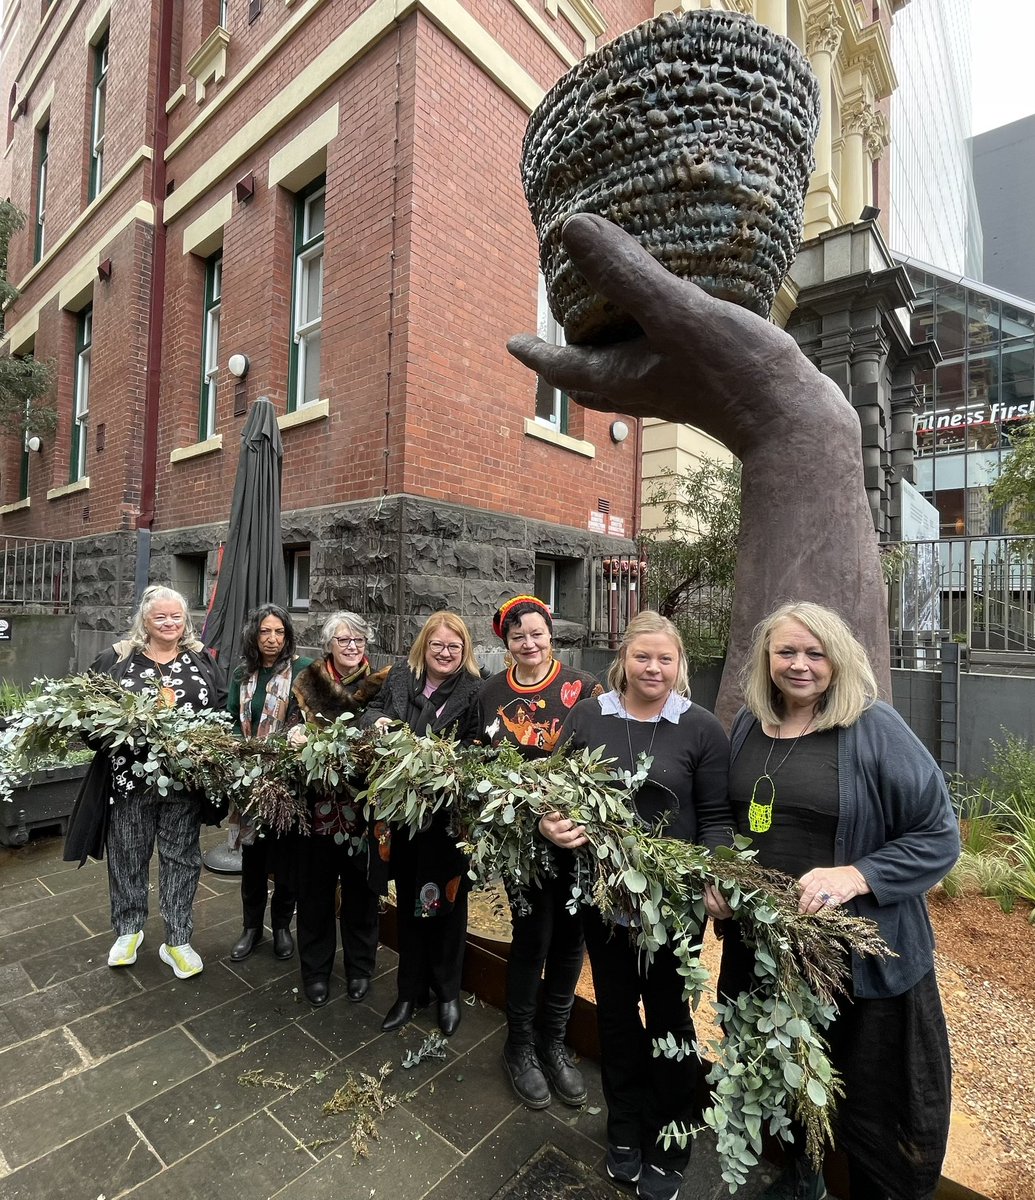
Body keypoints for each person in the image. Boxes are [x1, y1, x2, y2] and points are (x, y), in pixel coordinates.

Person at [717, 601, 959, 1200]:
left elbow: (939, 836)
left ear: (838, 658)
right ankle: (804, 1182)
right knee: (787, 1078)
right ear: (766, 659)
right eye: (785, 652)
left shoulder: (874, 728)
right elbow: (730, 816)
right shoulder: (750, 724)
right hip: (771, 948)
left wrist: (856, 875)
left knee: (873, 1103)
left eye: (814, 652)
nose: (799, 665)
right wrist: (722, 874)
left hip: (858, 961)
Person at [539, 611, 732, 1200]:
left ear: (680, 666)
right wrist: (551, 821)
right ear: (623, 659)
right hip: (604, 900)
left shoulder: (701, 729)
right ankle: (623, 1127)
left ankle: (671, 1138)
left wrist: (715, 873)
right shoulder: (589, 716)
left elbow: (719, 818)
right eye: (642, 657)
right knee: (619, 1016)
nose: (653, 668)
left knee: (671, 1019)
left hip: (672, 910)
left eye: (665, 659)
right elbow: (554, 786)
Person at [476, 594, 603, 1110]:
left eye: (536, 634)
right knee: (532, 935)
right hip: (522, 843)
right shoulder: (489, 695)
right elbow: (480, 772)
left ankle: (555, 1042)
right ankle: (520, 1046)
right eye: (517, 637)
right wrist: (532, 820)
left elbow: (605, 763)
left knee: (571, 939)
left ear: (551, 634)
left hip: (575, 839)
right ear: (505, 643)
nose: (529, 644)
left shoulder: (585, 690)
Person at [64, 585, 226, 979]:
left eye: (177, 617)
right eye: (161, 617)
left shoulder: (202, 660)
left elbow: (221, 708)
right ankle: (128, 930)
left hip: (183, 783)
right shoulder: (119, 659)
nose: (170, 623)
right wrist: (114, 740)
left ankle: (178, 938)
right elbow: (88, 711)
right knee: (127, 856)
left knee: (181, 859)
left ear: (185, 620)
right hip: (128, 783)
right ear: (145, 621)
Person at [360, 611, 482, 1036]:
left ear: (464, 651)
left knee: (445, 908)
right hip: (398, 819)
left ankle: (447, 992)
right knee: (410, 905)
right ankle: (409, 991)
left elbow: (477, 746)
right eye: (437, 645)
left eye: (454, 646)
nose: (445, 653)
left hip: (444, 826)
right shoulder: (398, 680)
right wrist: (372, 722)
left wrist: (443, 764)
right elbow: (371, 708)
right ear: (423, 647)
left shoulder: (474, 692)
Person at [286, 612, 390, 1007]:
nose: (352, 647)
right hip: (316, 807)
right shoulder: (307, 682)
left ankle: (361, 968)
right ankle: (315, 970)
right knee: (314, 893)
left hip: (363, 808)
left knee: (363, 893)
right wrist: (294, 732)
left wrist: (381, 728)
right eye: (344, 640)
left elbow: (391, 723)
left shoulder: (382, 684)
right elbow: (289, 728)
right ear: (329, 643)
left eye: (359, 641)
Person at [226, 604, 312, 963]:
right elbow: (231, 721)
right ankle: (250, 927)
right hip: (250, 782)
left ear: (288, 635)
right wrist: (240, 751)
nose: (272, 639)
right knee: (255, 859)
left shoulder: (304, 671)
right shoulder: (241, 675)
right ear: (254, 635)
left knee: (287, 860)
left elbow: (314, 717)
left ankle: (280, 927)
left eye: (279, 632)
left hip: (288, 781)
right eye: (265, 632)